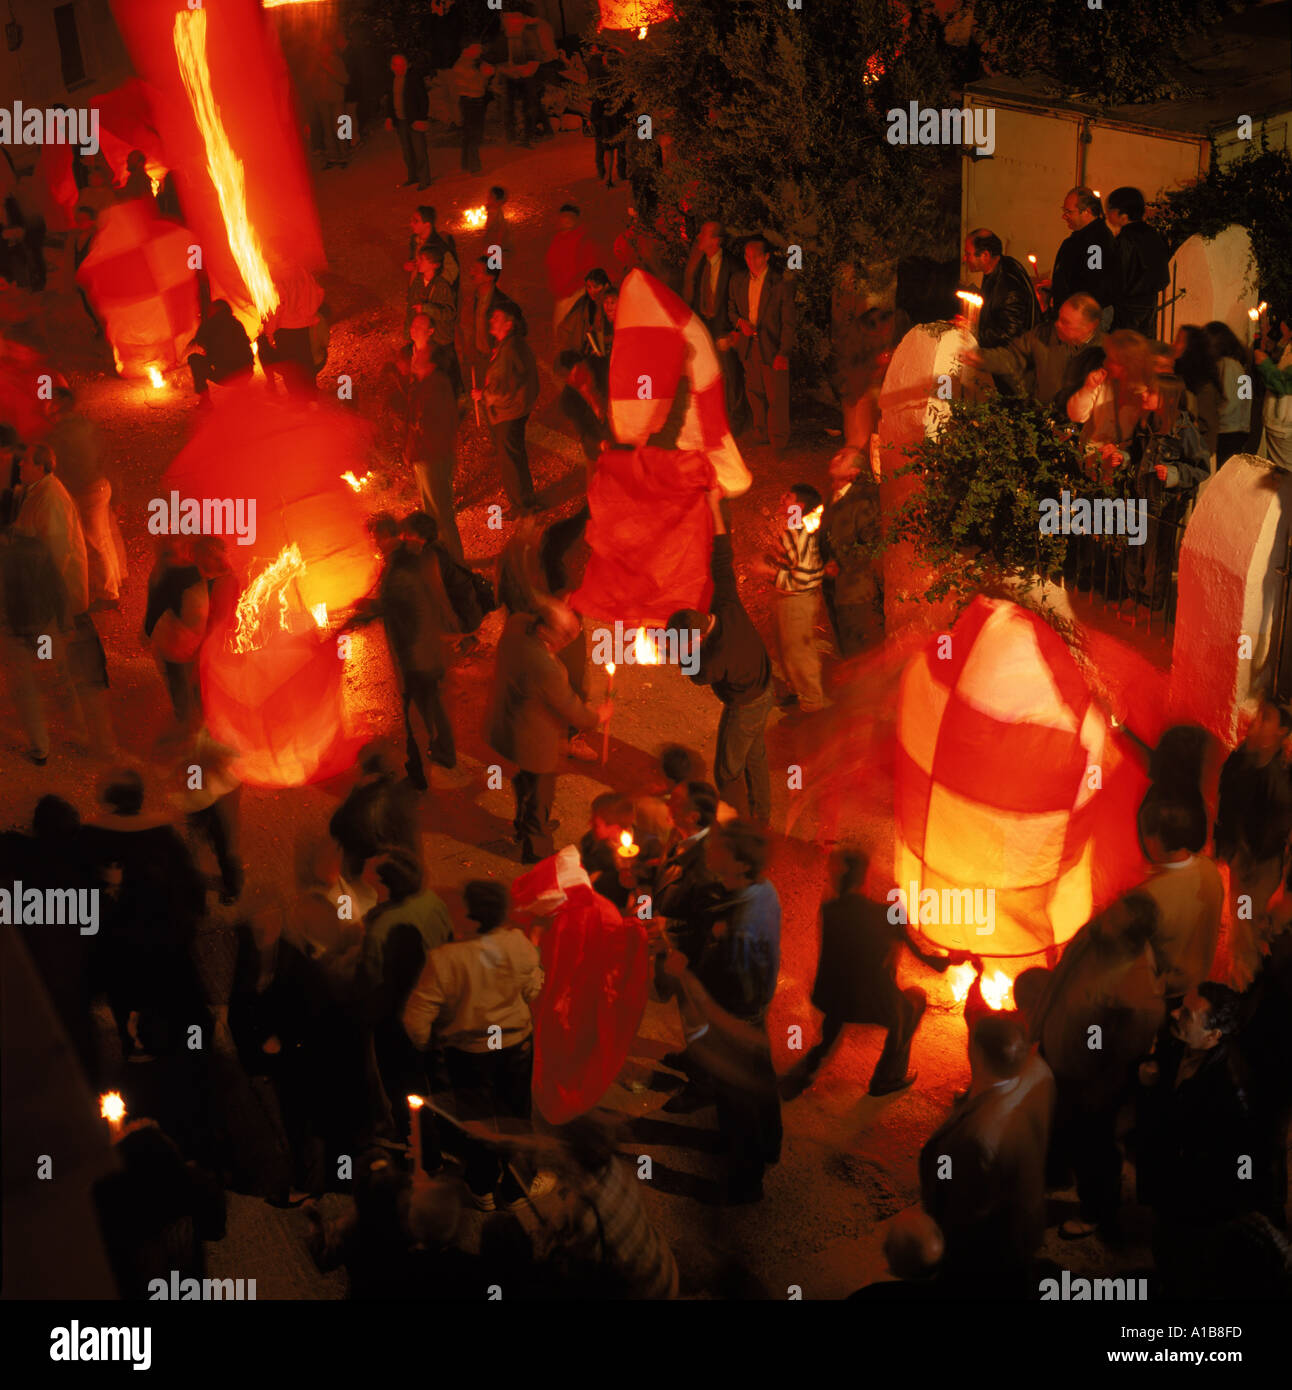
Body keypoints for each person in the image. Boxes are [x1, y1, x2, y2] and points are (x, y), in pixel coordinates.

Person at [403, 879, 545, 1209]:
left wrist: (426, 1045)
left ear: (471, 918)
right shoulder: (518, 945)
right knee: (517, 1117)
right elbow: (533, 990)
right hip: (515, 1047)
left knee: (478, 1120)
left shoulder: (444, 959)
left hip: (468, 1053)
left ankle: (481, 1187)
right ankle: (516, 1189)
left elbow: (417, 1016)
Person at [1033, 894, 1164, 1238]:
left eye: (1111, 921)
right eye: (1108, 913)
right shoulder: (1097, 937)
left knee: (1094, 1147)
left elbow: (1124, 1055)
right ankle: (1055, 1172)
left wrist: (1099, 1097)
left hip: (1089, 1083)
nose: (1100, 920)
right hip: (1059, 1060)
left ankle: (1096, 1210)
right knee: (1056, 1122)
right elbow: (1062, 977)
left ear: (1129, 940)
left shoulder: (1137, 992)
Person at [784, 848, 952, 1100]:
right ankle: (886, 1078)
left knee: (842, 995)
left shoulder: (829, 910)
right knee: (912, 1004)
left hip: (829, 997)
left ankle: (808, 1069)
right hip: (868, 1004)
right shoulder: (887, 915)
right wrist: (953, 958)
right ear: (866, 878)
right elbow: (930, 961)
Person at [1136, 983, 1267, 1294]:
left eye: (1187, 1014)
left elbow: (1243, 1162)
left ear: (1213, 1036)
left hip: (1198, 1196)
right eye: (1181, 1006)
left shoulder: (1233, 1090)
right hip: (1168, 1174)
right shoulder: (1175, 1042)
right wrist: (1146, 1079)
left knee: (1187, 1263)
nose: (1174, 1012)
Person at [918, 1013, 1052, 1293]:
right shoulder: (1040, 1072)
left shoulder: (977, 1137)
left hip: (986, 1245)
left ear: (975, 1052)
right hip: (1024, 1215)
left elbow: (963, 1205)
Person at [667, 488, 774, 823]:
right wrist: (713, 507)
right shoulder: (726, 604)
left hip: (747, 701)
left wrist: (684, 655)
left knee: (727, 770)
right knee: (754, 754)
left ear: (697, 638)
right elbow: (722, 556)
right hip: (764, 687)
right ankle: (762, 814)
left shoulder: (714, 659)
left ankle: (735, 824)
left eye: (686, 644)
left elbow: (696, 674)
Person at [486, 595, 609, 863]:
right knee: (540, 795)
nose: (564, 643)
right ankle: (537, 847)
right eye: (564, 636)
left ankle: (523, 825)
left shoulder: (518, 624)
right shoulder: (545, 667)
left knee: (523, 781)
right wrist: (598, 716)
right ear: (546, 631)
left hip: (508, 724)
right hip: (534, 741)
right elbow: (571, 708)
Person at [348, 514, 456, 780]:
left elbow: (391, 604)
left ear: (385, 534)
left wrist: (363, 608)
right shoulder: (411, 556)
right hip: (427, 645)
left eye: (375, 537)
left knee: (414, 711)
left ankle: (418, 771)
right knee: (431, 701)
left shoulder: (399, 566)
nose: (373, 543)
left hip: (415, 651)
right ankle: (444, 751)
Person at [1214, 697, 1292, 990]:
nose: (1255, 721)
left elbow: (1279, 824)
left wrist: (1250, 856)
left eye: (1265, 718)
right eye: (1258, 714)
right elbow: (1227, 806)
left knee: (1244, 927)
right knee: (1242, 923)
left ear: (1282, 732)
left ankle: (1242, 986)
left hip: (1259, 867)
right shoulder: (1240, 761)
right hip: (1242, 862)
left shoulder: (1280, 778)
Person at [42, 386, 125, 609]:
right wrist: (116, 494)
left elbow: (58, 469)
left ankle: (108, 594)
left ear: (58, 406)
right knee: (103, 538)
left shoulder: (57, 435)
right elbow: (107, 458)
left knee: (94, 541)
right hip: (101, 486)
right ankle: (113, 582)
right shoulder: (88, 426)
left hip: (86, 491)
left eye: (51, 402)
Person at [1137, 794, 1223, 1008]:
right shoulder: (1209, 870)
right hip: (1201, 982)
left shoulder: (1150, 895)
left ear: (1154, 839)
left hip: (1167, 994)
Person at [964, 292, 1104, 410]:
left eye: (1065, 322)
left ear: (1088, 327)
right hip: (1039, 416)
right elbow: (1013, 356)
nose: (1057, 324)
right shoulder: (1043, 334)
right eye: (1059, 317)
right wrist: (982, 358)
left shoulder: (1104, 352)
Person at [760, 482, 829, 713]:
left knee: (799, 653)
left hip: (796, 600)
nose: (782, 498)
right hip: (787, 599)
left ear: (798, 506)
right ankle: (795, 690)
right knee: (786, 649)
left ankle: (812, 703)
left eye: (787, 496)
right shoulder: (793, 529)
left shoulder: (798, 534)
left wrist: (767, 572)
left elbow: (803, 578)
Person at [725, 235, 795, 451]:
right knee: (754, 392)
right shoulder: (739, 281)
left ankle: (779, 438)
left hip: (772, 346)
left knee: (776, 395)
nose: (750, 261)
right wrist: (740, 323)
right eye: (747, 256)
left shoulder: (780, 284)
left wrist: (784, 351)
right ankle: (761, 431)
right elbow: (731, 308)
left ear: (766, 257)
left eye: (755, 257)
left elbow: (788, 322)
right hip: (749, 345)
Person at [402, 316, 462, 562]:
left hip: (433, 457)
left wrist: (417, 436)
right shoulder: (426, 383)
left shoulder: (437, 386)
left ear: (431, 362)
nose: (414, 362)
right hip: (424, 455)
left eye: (419, 359)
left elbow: (435, 424)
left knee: (441, 513)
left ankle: (457, 562)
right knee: (432, 510)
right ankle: (443, 557)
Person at [472, 302, 540, 517]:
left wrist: (483, 395)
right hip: (513, 409)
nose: (491, 320)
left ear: (509, 324)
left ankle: (521, 505)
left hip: (507, 412)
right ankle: (527, 499)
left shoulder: (510, 349)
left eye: (497, 317)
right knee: (515, 455)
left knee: (509, 459)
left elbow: (506, 387)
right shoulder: (509, 345)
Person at [820, 446, 882, 656]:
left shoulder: (863, 501)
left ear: (853, 473)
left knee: (857, 649)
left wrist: (840, 563)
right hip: (834, 588)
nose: (835, 457)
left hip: (855, 591)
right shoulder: (832, 498)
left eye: (843, 457)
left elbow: (871, 545)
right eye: (838, 453)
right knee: (842, 642)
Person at [143, 537, 208, 731]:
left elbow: (155, 606)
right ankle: (204, 721)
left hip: (176, 640)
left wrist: (147, 631)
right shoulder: (193, 570)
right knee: (196, 681)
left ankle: (186, 724)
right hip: (194, 637)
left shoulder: (163, 574)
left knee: (178, 682)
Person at [684, 220, 744, 429]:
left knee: (731, 375)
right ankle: (715, 418)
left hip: (725, 329)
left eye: (704, 233)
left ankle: (735, 422)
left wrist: (734, 333)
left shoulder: (733, 266)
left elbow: (740, 301)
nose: (699, 236)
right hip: (706, 328)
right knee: (709, 374)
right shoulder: (702, 264)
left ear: (716, 241)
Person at [1104, 186, 1170, 336]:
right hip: (1150, 306)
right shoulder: (1153, 234)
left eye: (1110, 209)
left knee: (1125, 351)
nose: (1107, 214)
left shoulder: (1125, 239)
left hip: (1127, 311)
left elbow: (1118, 277)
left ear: (1123, 215)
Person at [1051, 187, 1120, 327]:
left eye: (1068, 212)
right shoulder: (1081, 238)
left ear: (1087, 212)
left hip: (1083, 319)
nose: (1063, 217)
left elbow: (1095, 284)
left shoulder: (1096, 242)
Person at [259, 258, 325, 398]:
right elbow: (319, 292)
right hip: (303, 326)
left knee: (290, 367)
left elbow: (276, 307)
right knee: (305, 362)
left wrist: (270, 332)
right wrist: (309, 312)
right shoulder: (302, 273)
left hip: (286, 329)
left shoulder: (277, 279)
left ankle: (298, 400)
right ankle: (311, 396)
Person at [963, 227, 1038, 350]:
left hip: (1012, 360)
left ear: (985, 255)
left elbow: (1009, 334)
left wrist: (971, 334)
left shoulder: (1008, 285)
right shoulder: (998, 267)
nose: (964, 258)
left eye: (968, 254)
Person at [462, 255, 524, 386]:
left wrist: (501, 351)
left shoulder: (502, 304)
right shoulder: (475, 298)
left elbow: (520, 330)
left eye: (477, 270)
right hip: (480, 356)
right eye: (472, 268)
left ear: (489, 277)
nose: (471, 273)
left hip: (494, 358)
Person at [545, 204, 601, 330]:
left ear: (576, 219)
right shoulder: (557, 239)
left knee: (572, 331)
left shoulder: (583, 240)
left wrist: (573, 289)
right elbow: (550, 265)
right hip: (561, 295)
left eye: (570, 217)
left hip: (576, 294)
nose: (566, 220)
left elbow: (589, 269)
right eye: (564, 217)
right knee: (561, 330)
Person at [1205, 319, 1253, 465]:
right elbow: (1243, 397)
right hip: (1239, 428)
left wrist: (1211, 420)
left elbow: (1231, 401)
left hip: (1228, 430)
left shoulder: (1227, 365)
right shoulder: (1238, 364)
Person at [1170, 323, 1222, 460]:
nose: (1172, 344)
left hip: (1189, 460)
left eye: (1179, 341)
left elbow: (1208, 428)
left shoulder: (1203, 387)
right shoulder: (1179, 377)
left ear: (1191, 348)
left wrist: (1198, 459)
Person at [186, 300, 254, 402]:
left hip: (228, 376)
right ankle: (243, 389)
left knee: (194, 359)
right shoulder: (237, 323)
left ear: (215, 311)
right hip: (247, 372)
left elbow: (198, 343)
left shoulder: (209, 325)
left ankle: (205, 400)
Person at [495, 11, 543, 148]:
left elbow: (536, 57)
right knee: (508, 107)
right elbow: (497, 59)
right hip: (510, 77)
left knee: (529, 106)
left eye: (515, 21)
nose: (512, 24)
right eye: (509, 21)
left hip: (526, 76)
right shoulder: (502, 39)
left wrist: (527, 70)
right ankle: (512, 136)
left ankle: (528, 135)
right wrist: (507, 70)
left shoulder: (528, 36)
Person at [385, 53, 431, 190]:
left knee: (419, 151)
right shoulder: (392, 80)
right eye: (396, 65)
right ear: (392, 66)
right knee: (407, 152)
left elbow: (423, 99)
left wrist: (422, 118)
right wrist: (389, 117)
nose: (399, 68)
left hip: (414, 120)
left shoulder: (414, 78)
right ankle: (413, 176)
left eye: (402, 64)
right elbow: (390, 100)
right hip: (401, 121)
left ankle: (424, 179)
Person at [1254, 315, 1292, 469]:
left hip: (1285, 429)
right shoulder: (1288, 346)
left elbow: (1283, 385)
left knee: (1283, 478)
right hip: (1280, 426)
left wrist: (1264, 364)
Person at [451, 43, 492, 174]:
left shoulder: (473, 63)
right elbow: (477, 79)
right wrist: (483, 73)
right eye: (476, 48)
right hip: (470, 102)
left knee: (469, 134)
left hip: (474, 101)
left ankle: (466, 164)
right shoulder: (462, 65)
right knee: (474, 134)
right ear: (467, 49)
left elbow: (488, 73)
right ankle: (475, 167)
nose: (479, 51)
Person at [405, 206, 459, 303]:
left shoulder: (439, 246)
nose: (411, 224)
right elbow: (414, 259)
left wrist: (434, 286)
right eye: (411, 220)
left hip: (428, 296)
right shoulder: (415, 240)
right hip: (415, 290)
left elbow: (453, 271)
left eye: (416, 221)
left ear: (427, 225)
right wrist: (410, 264)